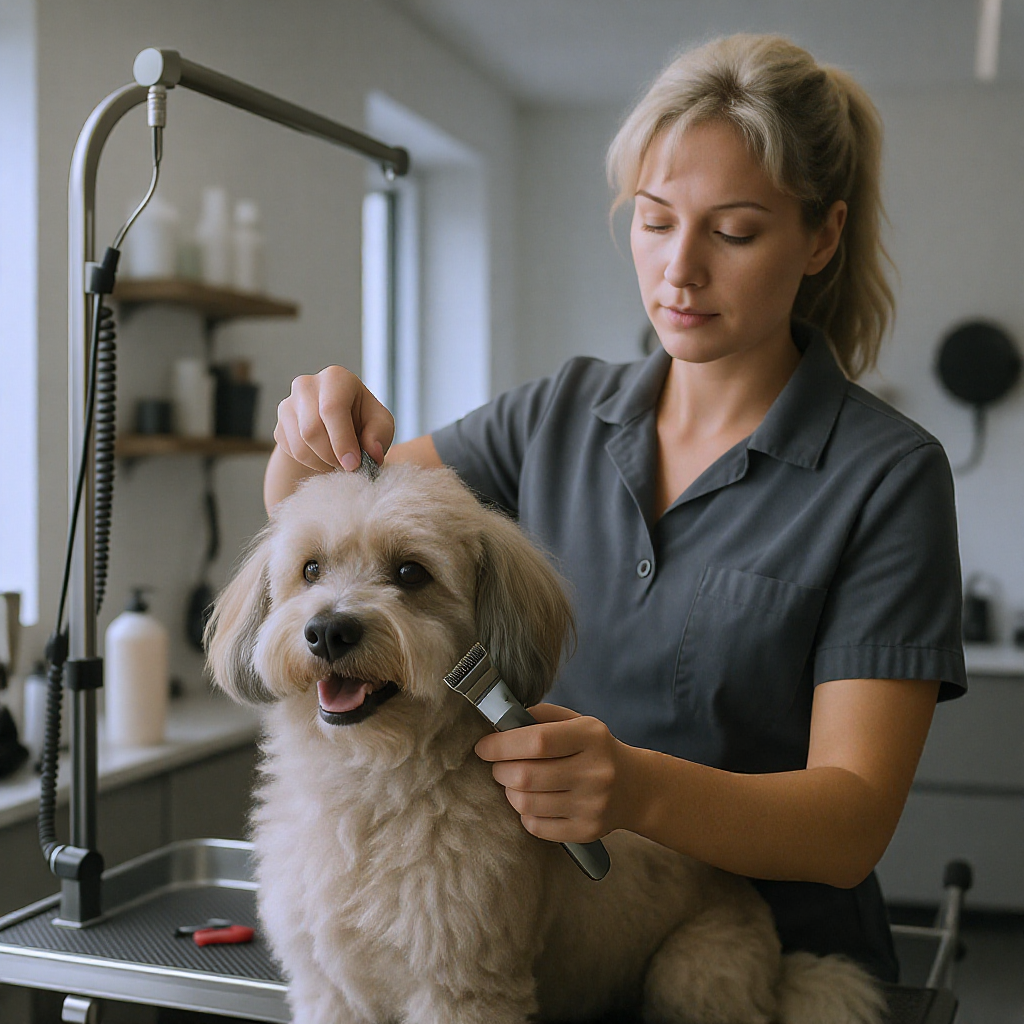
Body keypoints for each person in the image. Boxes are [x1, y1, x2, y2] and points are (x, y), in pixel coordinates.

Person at [264, 34, 966, 983]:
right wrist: (308, 440)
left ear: (823, 236)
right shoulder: (555, 414)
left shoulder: (886, 476)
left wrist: (635, 788)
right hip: (548, 955)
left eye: (735, 231)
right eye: (654, 218)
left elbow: (850, 824)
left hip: (772, 966)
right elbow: (334, 530)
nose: (679, 270)